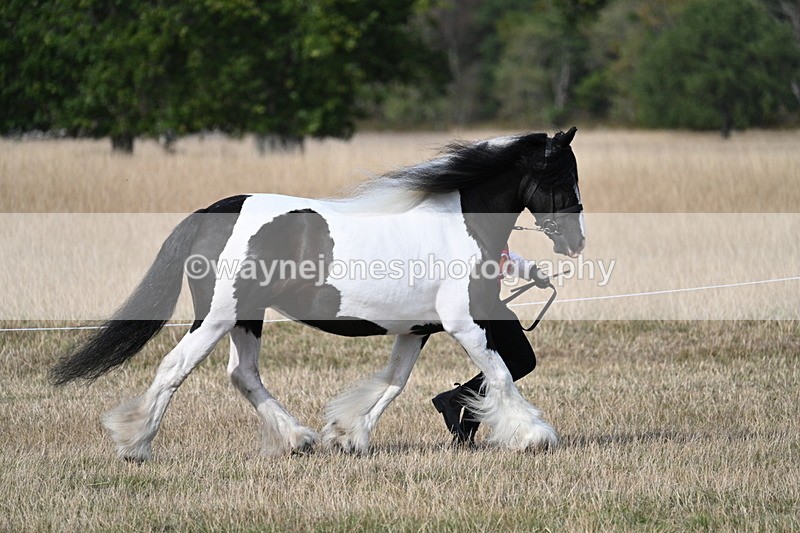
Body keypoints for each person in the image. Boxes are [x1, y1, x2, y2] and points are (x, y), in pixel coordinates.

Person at [431, 247, 551, 444]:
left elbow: (504, 254)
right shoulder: (477, 223)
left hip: (490, 305)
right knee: (520, 361)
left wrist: (531, 271)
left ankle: (463, 434)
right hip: (476, 308)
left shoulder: (492, 224)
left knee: (498, 370)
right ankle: (455, 400)